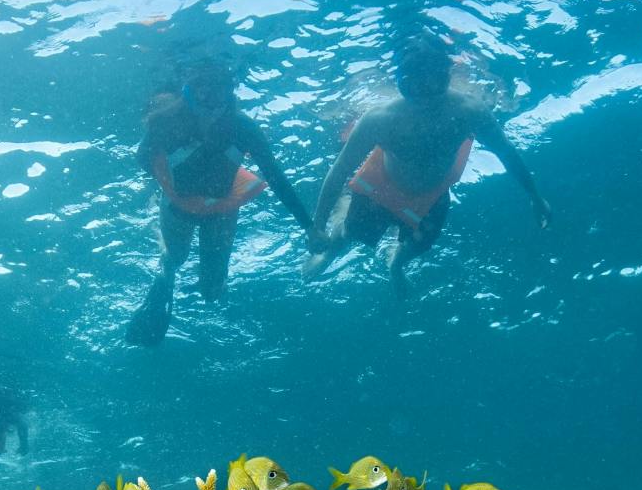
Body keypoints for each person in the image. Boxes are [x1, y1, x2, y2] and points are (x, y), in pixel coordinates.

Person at [302, 33, 553, 298]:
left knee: (421, 245)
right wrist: (317, 226)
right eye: (415, 86)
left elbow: (507, 153)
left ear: (446, 74)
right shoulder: (380, 120)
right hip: (384, 183)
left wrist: (536, 197)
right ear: (401, 82)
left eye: (435, 83)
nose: (426, 95)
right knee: (350, 231)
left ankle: (396, 264)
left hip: (433, 192)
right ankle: (330, 251)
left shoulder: (469, 111)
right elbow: (338, 172)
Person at [124, 62, 315, 345]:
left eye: (219, 95)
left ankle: (182, 275)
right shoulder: (164, 123)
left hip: (221, 211)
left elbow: (276, 178)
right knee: (175, 259)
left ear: (229, 96)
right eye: (203, 95)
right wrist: (177, 167)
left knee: (212, 291)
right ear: (188, 95)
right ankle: (163, 283)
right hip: (179, 207)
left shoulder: (243, 128)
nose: (211, 107)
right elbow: (143, 159)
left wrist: (309, 227)